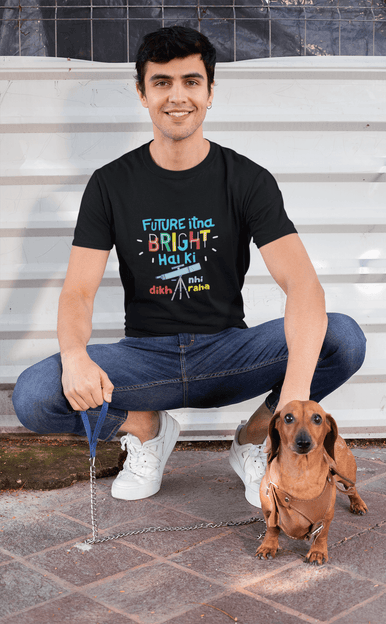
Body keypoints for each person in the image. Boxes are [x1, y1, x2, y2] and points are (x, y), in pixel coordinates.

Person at [12, 26, 366, 508]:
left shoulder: (247, 179)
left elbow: (302, 284)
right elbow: (78, 291)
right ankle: (146, 429)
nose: (177, 97)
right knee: (34, 395)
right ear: (142, 93)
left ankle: (253, 439)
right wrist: (75, 356)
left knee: (342, 338)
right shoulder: (110, 184)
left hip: (229, 353)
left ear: (210, 92)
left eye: (191, 81)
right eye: (161, 83)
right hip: (145, 360)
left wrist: (293, 400)